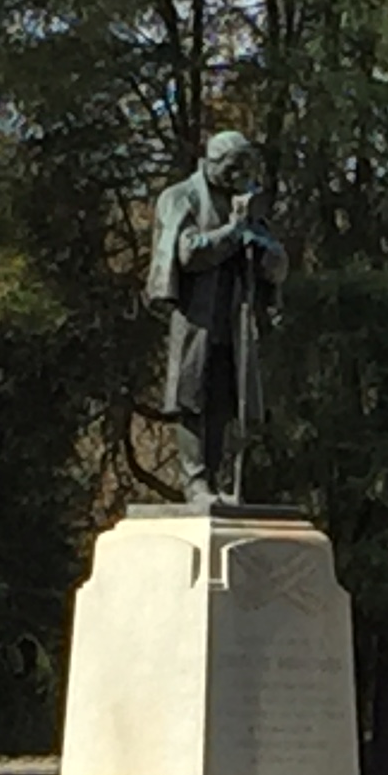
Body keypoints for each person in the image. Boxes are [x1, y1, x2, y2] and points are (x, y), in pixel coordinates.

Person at [144, 131, 289, 502]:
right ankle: (195, 482)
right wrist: (233, 232)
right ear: (212, 162)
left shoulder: (243, 203)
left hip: (234, 317)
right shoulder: (181, 197)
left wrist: (263, 250)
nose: (238, 175)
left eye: (244, 168)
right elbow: (189, 253)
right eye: (232, 167)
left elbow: (277, 262)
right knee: (192, 396)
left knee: (225, 400)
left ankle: (215, 478)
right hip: (195, 316)